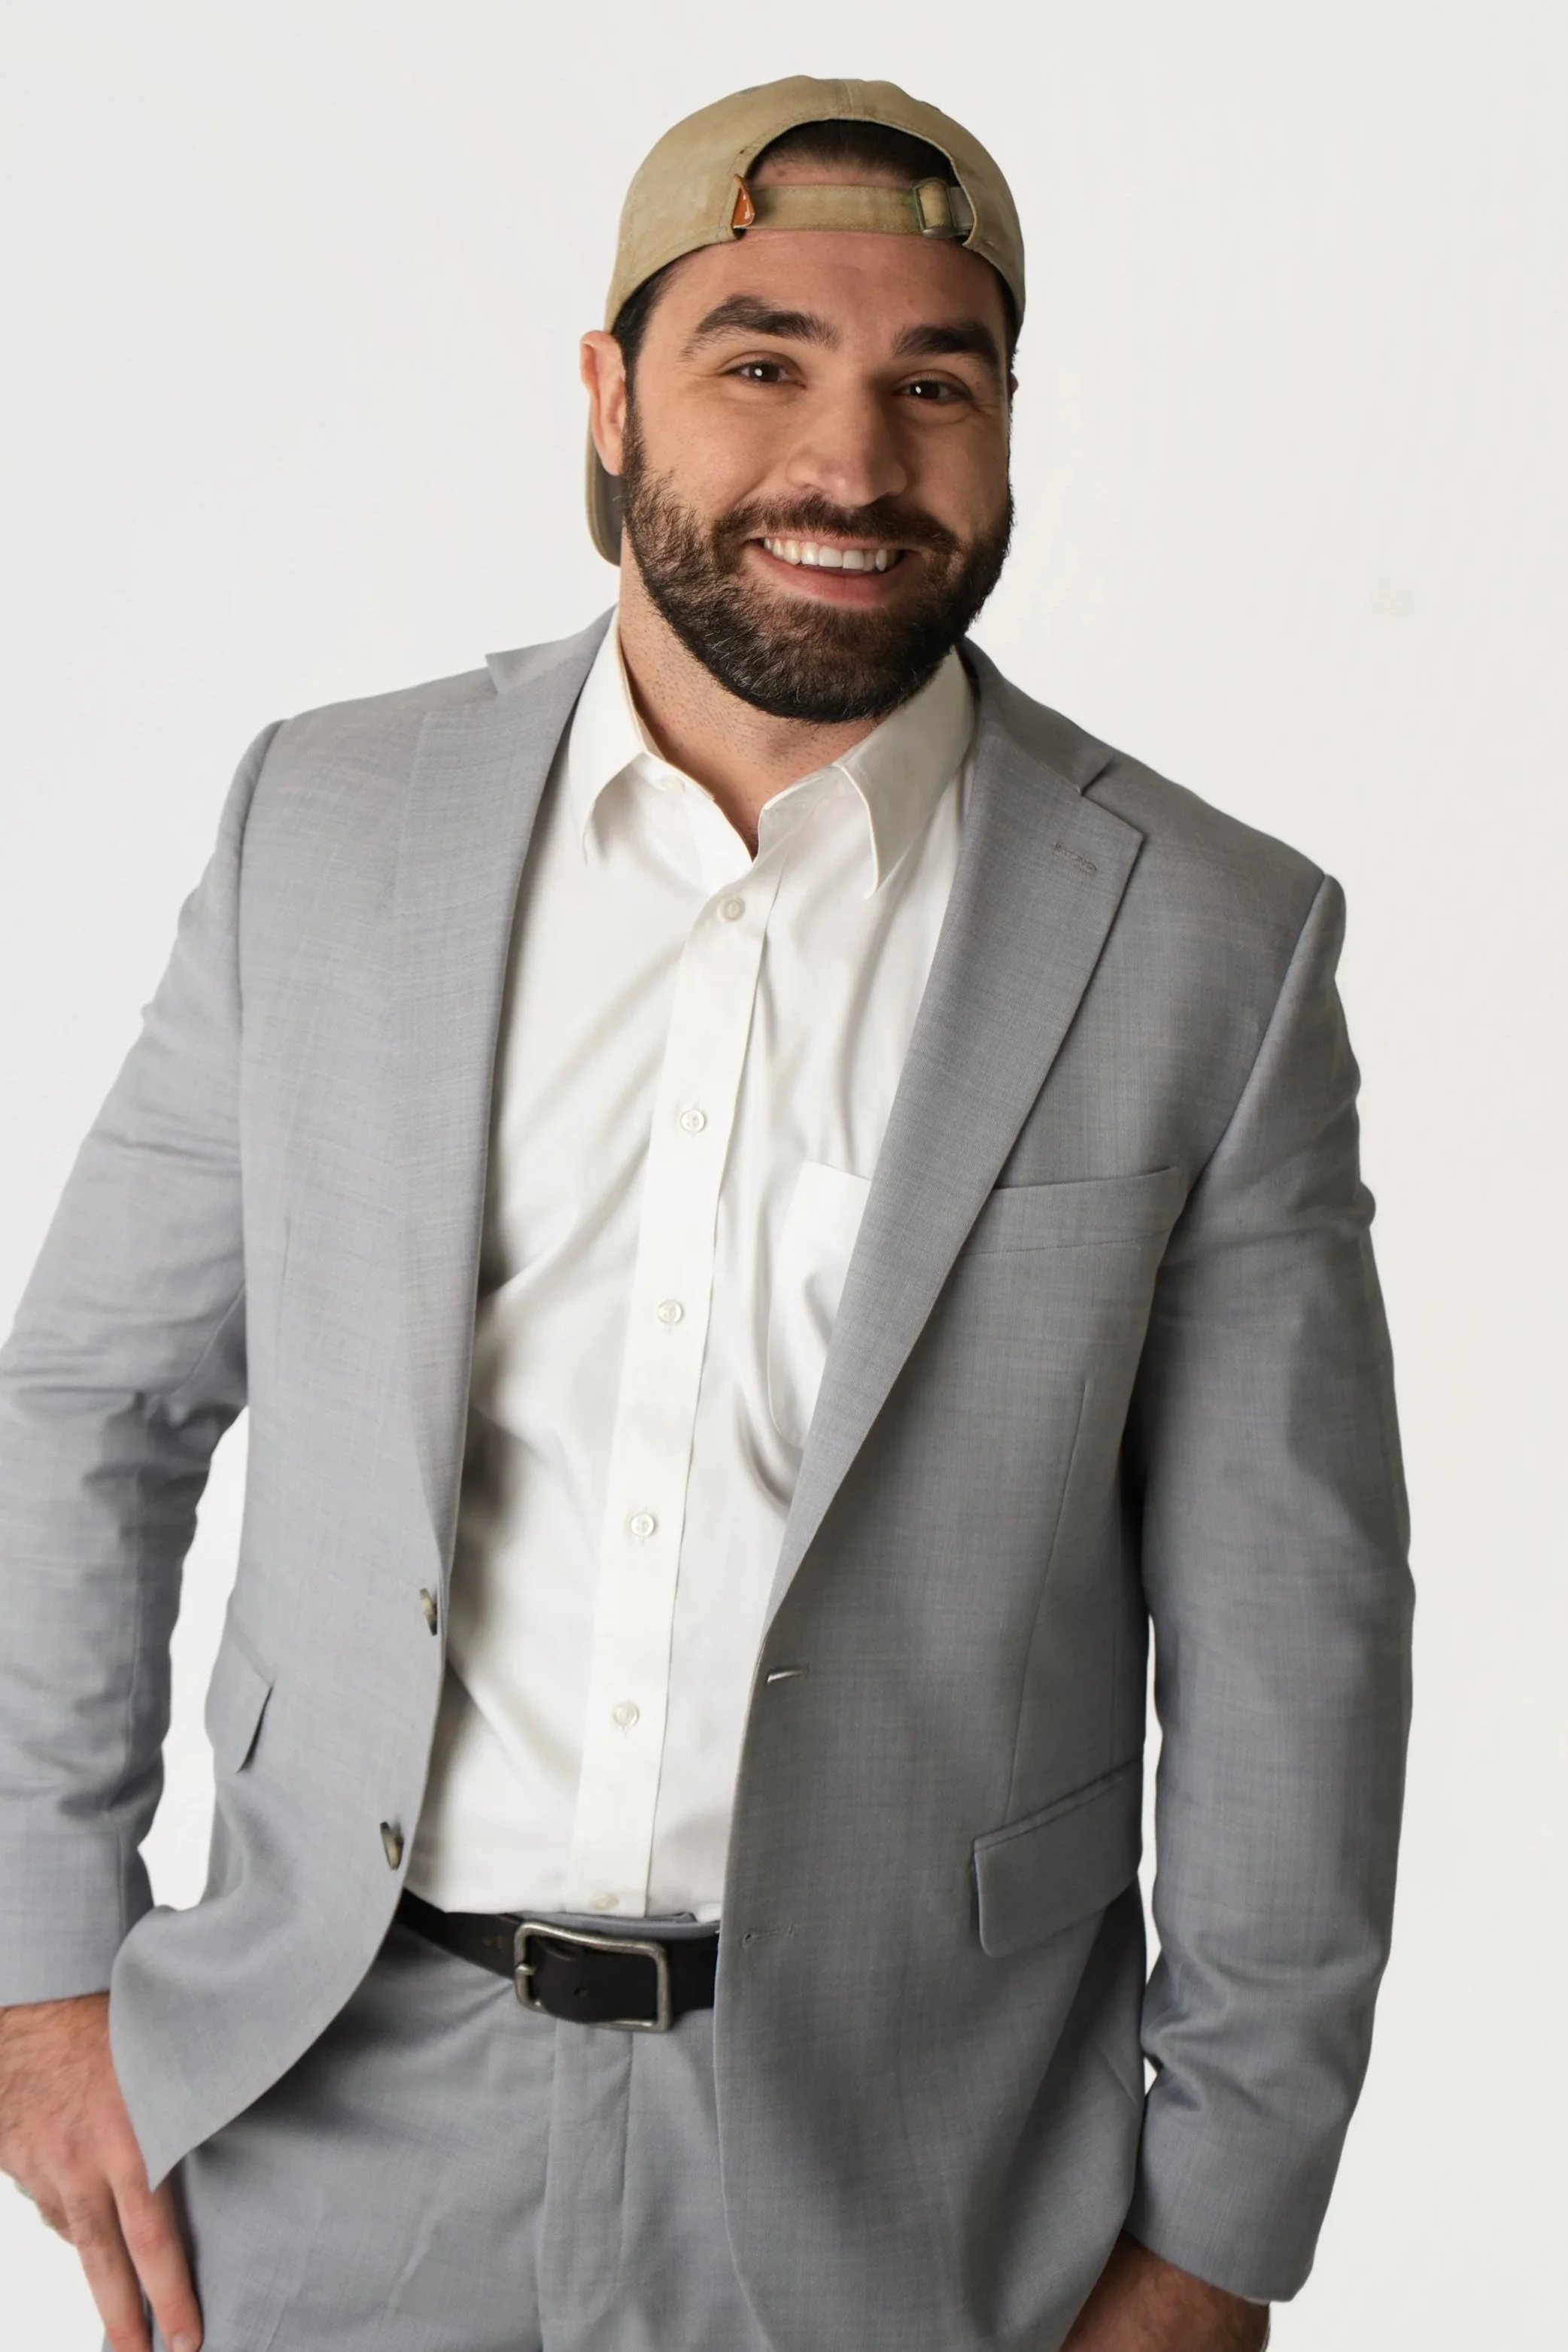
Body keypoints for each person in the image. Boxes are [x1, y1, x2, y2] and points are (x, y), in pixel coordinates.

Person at [0, 73, 1412, 2352]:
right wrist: (35, 1968)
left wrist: (1221, 2227)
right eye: (761, 361)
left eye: (929, 383)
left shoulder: (1204, 942)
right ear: (606, 393)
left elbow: (1287, 1633)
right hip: (321, 2116)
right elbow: (93, 1393)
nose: (848, 465)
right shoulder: (328, 822)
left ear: (1004, 424)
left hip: (917, 2162)